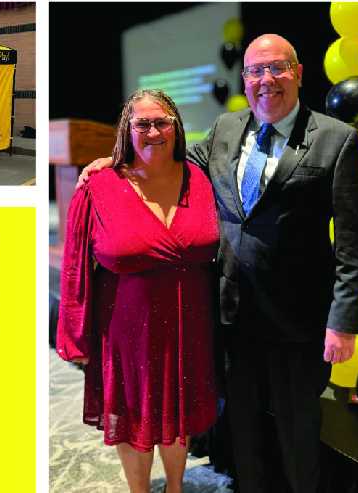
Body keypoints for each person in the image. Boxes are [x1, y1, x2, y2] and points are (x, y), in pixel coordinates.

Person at [78, 33, 358, 492]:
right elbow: (171, 161)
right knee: (242, 434)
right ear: (245, 77)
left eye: (277, 68)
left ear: (297, 72)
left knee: (298, 433)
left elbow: (354, 245)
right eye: (256, 70)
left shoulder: (337, 140)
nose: (266, 80)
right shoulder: (224, 130)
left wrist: (343, 322)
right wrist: (113, 163)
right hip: (230, 318)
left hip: (297, 324)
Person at [55, 89, 218, 493]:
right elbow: (75, 266)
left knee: (178, 416)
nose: (153, 131)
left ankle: (176, 488)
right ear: (127, 130)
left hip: (188, 325)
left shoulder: (198, 177)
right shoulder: (99, 185)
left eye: (162, 121)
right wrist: (77, 332)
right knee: (134, 416)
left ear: (176, 128)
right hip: (127, 331)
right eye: (142, 123)